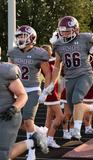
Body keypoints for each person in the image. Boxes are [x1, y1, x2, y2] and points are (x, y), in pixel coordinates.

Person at [39, 16, 93, 140]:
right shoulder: (58, 44)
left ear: (76, 30)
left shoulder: (85, 39)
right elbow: (57, 68)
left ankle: (77, 130)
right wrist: (51, 85)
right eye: (62, 31)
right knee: (71, 108)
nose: (64, 33)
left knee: (77, 99)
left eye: (67, 30)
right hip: (70, 78)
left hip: (85, 75)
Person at [7, 25, 51, 160]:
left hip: (32, 89)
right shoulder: (13, 52)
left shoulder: (39, 53)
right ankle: (39, 131)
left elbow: (48, 72)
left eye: (23, 36)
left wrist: (47, 89)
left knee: (27, 121)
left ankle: (31, 153)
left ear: (31, 38)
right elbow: (9, 71)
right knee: (14, 121)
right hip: (17, 89)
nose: (20, 39)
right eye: (19, 36)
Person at [0, 48, 48, 159]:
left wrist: (14, 108)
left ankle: (33, 141)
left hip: (6, 116)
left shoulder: (4, 71)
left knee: (3, 155)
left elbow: (22, 95)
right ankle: (34, 140)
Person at [41, 44, 64, 148]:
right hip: (50, 92)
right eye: (50, 50)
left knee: (49, 117)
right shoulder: (45, 62)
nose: (51, 52)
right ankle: (50, 138)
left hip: (51, 91)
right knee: (60, 116)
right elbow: (58, 59)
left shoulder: (49, 61)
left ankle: (44, 139)